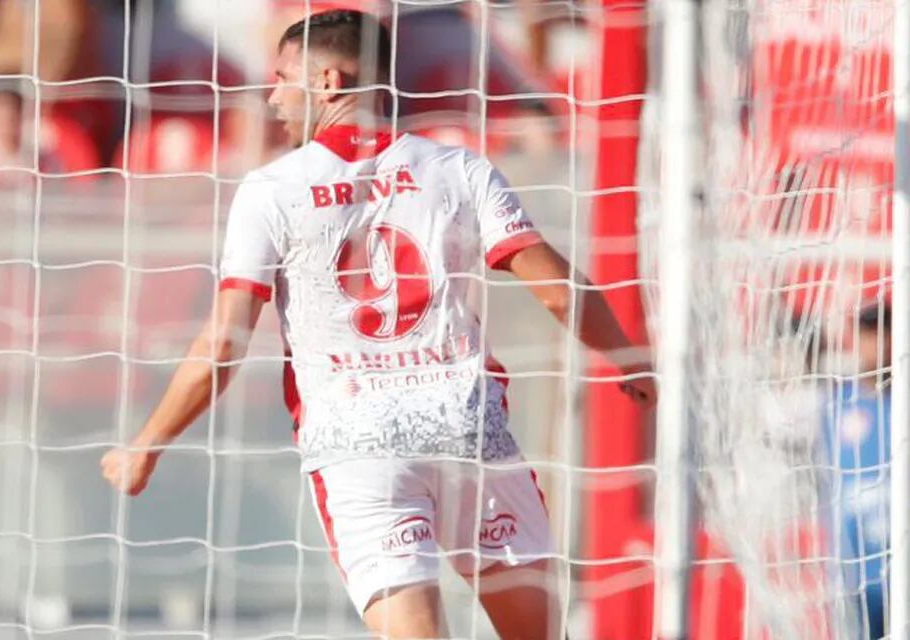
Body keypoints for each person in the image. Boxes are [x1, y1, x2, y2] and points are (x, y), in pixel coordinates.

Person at [101, 10, 655, 639]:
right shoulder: (459, 168)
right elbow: (557, 292)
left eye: (284, 79)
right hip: (470, 432)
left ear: (329, 81)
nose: (273, 96)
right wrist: (633, 357)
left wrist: (146, 444)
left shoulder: (271, 190)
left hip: (359, 445)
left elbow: (224, 342)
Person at [822, 304, 891, 640]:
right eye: (867, 333)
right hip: (853, 573)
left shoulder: (900, 401)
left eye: (882, 333)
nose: (875, 343)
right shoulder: (833, 403)